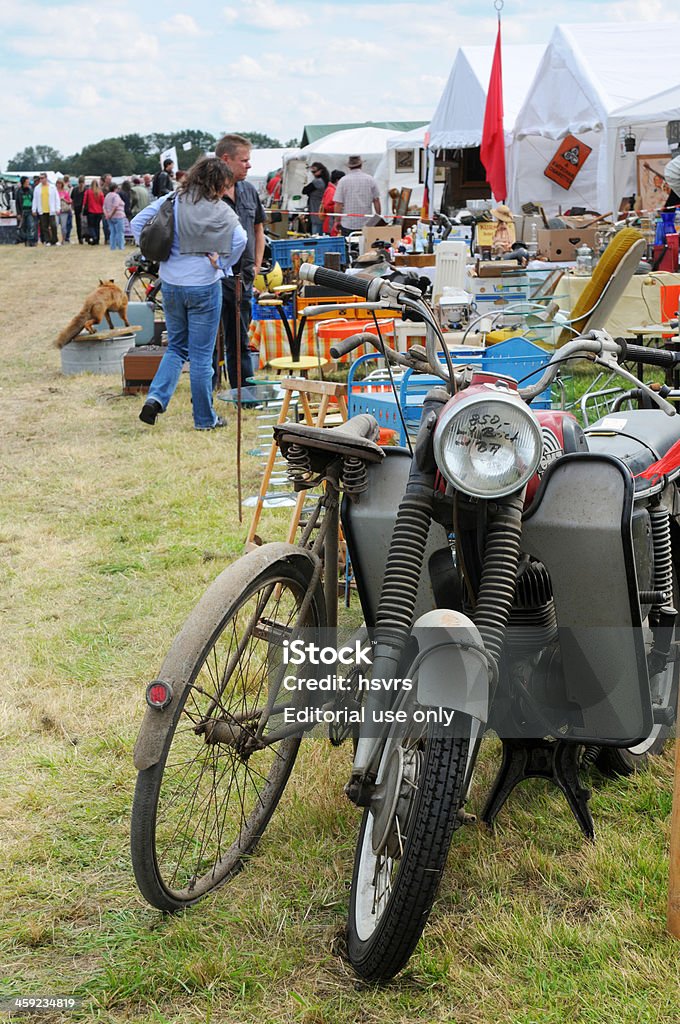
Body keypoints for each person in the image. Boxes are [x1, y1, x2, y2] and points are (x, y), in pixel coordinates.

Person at [131, 157, 247, 430]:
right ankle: (205, 419)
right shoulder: (221, 209)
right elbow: (240, 239)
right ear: (219, 184)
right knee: (201, 356)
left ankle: (156, 399)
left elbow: (138, 223)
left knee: (176, 348)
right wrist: (224, 264)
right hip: (205, 285)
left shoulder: (173, 198)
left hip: (170, 283)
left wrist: (158, 254)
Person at [214, 133, 265, 395]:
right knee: (210, 337)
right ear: (226, 159)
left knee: (239, 336)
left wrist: (256, 265)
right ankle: (209, 389)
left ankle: (243, 389)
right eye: (244, 160)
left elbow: (258, 229)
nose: (249, 165)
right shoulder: (206, 193)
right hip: (211, 277)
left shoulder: (248, 190)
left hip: (242, 277)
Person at [333, 155, 381, 236]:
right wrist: (378, 217)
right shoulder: (370, 179)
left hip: (348, 223)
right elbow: (376, 200)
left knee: (349, 247)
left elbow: (338, 204)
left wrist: (337, 221)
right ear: (361, 165)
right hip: (366, 222)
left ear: (349, 167)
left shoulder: (343, 181)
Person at [31, 172, 59, 245]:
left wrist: (57, 208)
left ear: (46, 178)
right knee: (44, 226)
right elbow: (35, 199)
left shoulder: (52, 187)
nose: (41, 180)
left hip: (51, 209)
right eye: (40, 178)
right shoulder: (37, 188)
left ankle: (55, 240)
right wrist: (34, 209)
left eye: (42, 178)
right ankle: (47, 240)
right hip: (42, 210)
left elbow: (57, 198)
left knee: (53, 225)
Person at [302, 162, 329, 234]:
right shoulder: (326, 181)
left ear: (321, 171)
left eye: (314, 171)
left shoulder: (317, 182)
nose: (313, 173)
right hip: (322, 209)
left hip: (316, 209)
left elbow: (304, 190)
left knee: (316, 230)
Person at [319, 169, 344, 235]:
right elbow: (327, 206)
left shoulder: (332, 189)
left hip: (331, 220)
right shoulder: (331, 191)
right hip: (330, 221)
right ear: (337, 180)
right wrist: (340, 206)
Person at [103, 182, 126, 250]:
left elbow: (104, 206)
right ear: (115, 188)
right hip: (118, 216)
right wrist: (111, 214)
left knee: (112, 232)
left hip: (110, 217)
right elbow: (115, 206)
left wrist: (107, 215)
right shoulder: (116, 196)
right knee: (120, 232)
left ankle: (112, 246)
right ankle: (121, 246)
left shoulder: (107, 196)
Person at [15, 177, 37, 246]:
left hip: (30, 210)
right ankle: (25, 240)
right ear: (23, 182)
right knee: (23, 227)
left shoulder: (31, 190)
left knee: (31, 226)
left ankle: (31, 241)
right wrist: (18, 213)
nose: (28, 183)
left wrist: (34, 209)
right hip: (22, 211)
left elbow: (34, 200)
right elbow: (17, 203)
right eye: (27, 181)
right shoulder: (19, 191)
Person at [83, 179, 104, 244]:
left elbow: (84, 201)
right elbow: (103, 202)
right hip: (99, 211)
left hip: (91, 211)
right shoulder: (100, 192)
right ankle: (97, 239)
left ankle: (94, 236)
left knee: (91, 226)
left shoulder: (88, 192)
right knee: (97, 226)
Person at [71, 176, 87, 244]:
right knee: (81, 224)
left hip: (81, 208)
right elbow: (72, 198)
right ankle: (82, 237)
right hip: (80, 208)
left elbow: (72, 198)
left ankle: (82, 237)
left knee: (82, 224)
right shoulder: (77, 189)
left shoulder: (84, 190)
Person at [56, 179, 72, 244]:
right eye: (58, 184)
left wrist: (63, 199)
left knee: (63, 226)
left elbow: (70, 201)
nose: (59, 185)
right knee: (55, 225)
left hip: (64, 211)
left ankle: (63, 240)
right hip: (56, 211)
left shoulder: (65, 192)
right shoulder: (54, 192)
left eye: (60, 184)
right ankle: (55, 239)